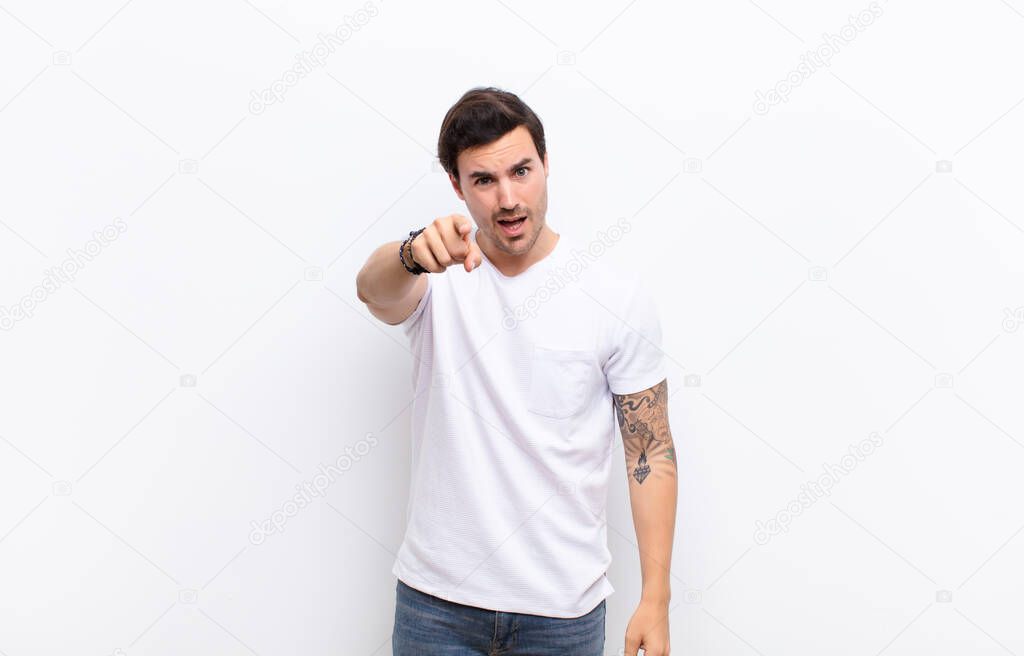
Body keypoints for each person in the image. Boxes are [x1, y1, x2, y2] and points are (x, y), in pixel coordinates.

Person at [355, 86, 677, 656]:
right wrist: (410, 253)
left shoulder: (615, 297)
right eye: (483, 180)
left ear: (547, 165)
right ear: (457, 186)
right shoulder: (436, 274)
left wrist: (656, 598)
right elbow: (372, 292)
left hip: (562, 613)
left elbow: (647, 454)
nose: (508, 198)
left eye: (522, 171)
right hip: (436, 605)